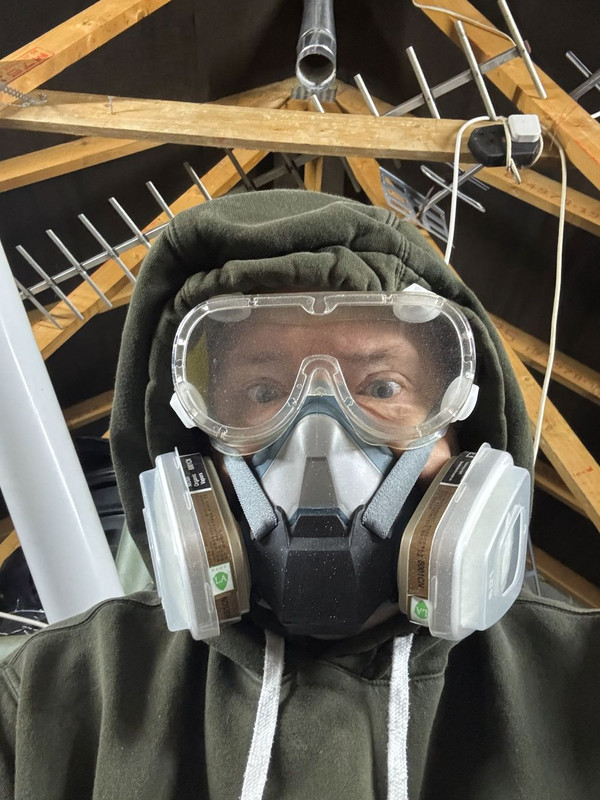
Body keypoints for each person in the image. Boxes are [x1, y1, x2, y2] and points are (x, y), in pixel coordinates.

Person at [0, 189, 599, 800]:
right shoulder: (39, 701)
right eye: (263, 393)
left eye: (382, 387)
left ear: (460, 437)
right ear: (196, 455)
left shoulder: (581, 680)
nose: (319, 441)